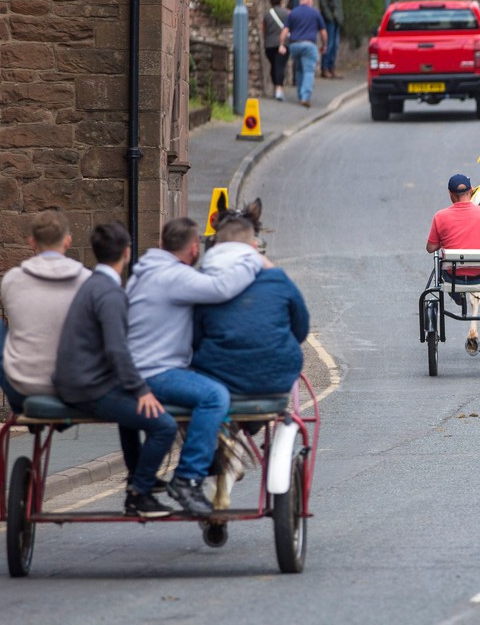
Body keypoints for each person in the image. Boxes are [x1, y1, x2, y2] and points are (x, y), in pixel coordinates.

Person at [126, 217, 266, 517]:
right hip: (156, 373)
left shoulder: (145, 270)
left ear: (162, 243)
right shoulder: (174, 276)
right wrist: (252, 259)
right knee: (215, 396)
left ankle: (191, 466)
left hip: (139, 368)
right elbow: (221, 288)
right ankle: (187, 478)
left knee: (205, 388)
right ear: (193, 248)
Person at [54, 222, 177, 519]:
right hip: (89, 389)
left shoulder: (91, 285)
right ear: (126, 252)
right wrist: (141, 390)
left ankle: (138, 474)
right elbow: (117, 350)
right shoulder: (110, 294)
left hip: (74, 380)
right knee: (165, 426)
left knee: (131, 418)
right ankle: (139, 494)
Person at [0, 210, 91, 413]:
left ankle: (18, 403)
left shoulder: (12, 280)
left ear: (31, 242)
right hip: (73, 386)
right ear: (68, 241)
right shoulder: (88, 280)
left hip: (25, 387)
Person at [192, 217, 310, 395]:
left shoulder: (204, 283)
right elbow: (300, 329)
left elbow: (193, 337)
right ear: (254, 248)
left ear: (216, 246)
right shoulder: (279, 279)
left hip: (218, 378)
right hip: (277, 377)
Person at [426, 173, 480, 305]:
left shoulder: (440, 217)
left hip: (454, 276)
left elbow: (430, 248)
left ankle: (458, 295)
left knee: (444, 267)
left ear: (450, 193)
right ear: (471, 190)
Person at [278, 0, 328, 108]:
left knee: (299, 70)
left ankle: (300, 95)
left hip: (294, 46)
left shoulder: (293, 13)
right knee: (309, 70)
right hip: (309, 45)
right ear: (309, 1)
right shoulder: (315, 13)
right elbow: (323, 32)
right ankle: (305, 97)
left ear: (301, 1)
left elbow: (285, 31)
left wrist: (281, 44)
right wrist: (324, 45)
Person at [262, 0, 289, 101]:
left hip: (269, 45)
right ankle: (278, 89)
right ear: (281, 1)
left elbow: (264, 29)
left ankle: (275, 87)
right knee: (280, 66)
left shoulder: (267, 14)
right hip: (282, 44)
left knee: (274, 65)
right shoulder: (287, 13)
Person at [318, 0, 344, 79]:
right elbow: (323, 4)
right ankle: (325, 68)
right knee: (329, 44)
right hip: (330, 20)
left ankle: (332, 67)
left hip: (337, 19)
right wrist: (330, 17)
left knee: (335, 45)